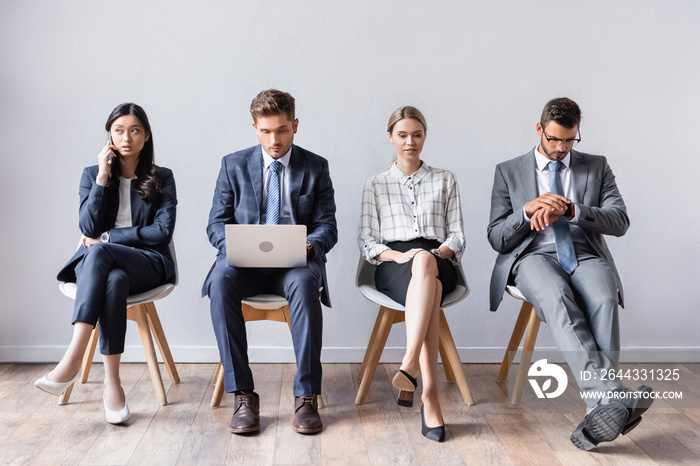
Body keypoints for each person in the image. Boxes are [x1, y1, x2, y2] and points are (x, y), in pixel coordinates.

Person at [487, 97, 652, 450]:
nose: (561, 148)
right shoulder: (509, 171)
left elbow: (619, 221)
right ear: (539, 129)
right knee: (557, 298)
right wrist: (526, 210)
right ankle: (611, 396)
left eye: (569, 140)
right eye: (554, 140)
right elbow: (497, 237)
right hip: (532, 255)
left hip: (583, 252)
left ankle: (600, 410)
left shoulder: (596, 166)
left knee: (604, 298)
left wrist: (574, 210)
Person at [203, 89, 337, 435]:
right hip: (243, 264)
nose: (274, 139)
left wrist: (308, 246)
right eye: (265, 131)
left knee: (307, 283)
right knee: (219, 280)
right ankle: (244, 395)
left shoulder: (316, 166)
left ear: (295, 125)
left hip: (295, 264)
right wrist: (232, 246)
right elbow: (216, 222)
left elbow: (328, 226)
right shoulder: (232, 164)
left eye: (281, 130)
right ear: (254, 128)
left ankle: (306, 397)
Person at [35, 103, 177, 425]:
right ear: (110, 136)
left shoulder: (162, 177)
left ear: (146, 135)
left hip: (149, 264)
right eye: (118, 130)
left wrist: (110, 237)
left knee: (100, 251)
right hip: (103, 270)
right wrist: (102, 178)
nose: (126, 137)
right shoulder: (91, 175)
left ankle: (72, 358)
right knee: (112, 278)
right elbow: (87, 228)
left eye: (134, 130)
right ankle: (112, 383)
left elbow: (161, 232)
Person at [358, 106, 465, 442]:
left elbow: (457, 236)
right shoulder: (375, 184)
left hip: (438, 258)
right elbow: (367, 242)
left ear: (424, 137)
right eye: (402, 135)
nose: (410, 142)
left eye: (416, 135)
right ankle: (429, 394)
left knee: (427, 266)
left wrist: (432, 254)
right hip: (394, 264)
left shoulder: (445, 178)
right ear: (391, 138)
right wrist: (402, 256)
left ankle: (410, 366)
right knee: (426, 281)